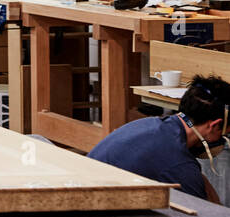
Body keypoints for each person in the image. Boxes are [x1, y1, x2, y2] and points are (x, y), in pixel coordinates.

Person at [89, 75, 230, 204]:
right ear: (214, 125)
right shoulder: (179, 165)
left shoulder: (154, 124)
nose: (222, 139)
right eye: (224, 133)